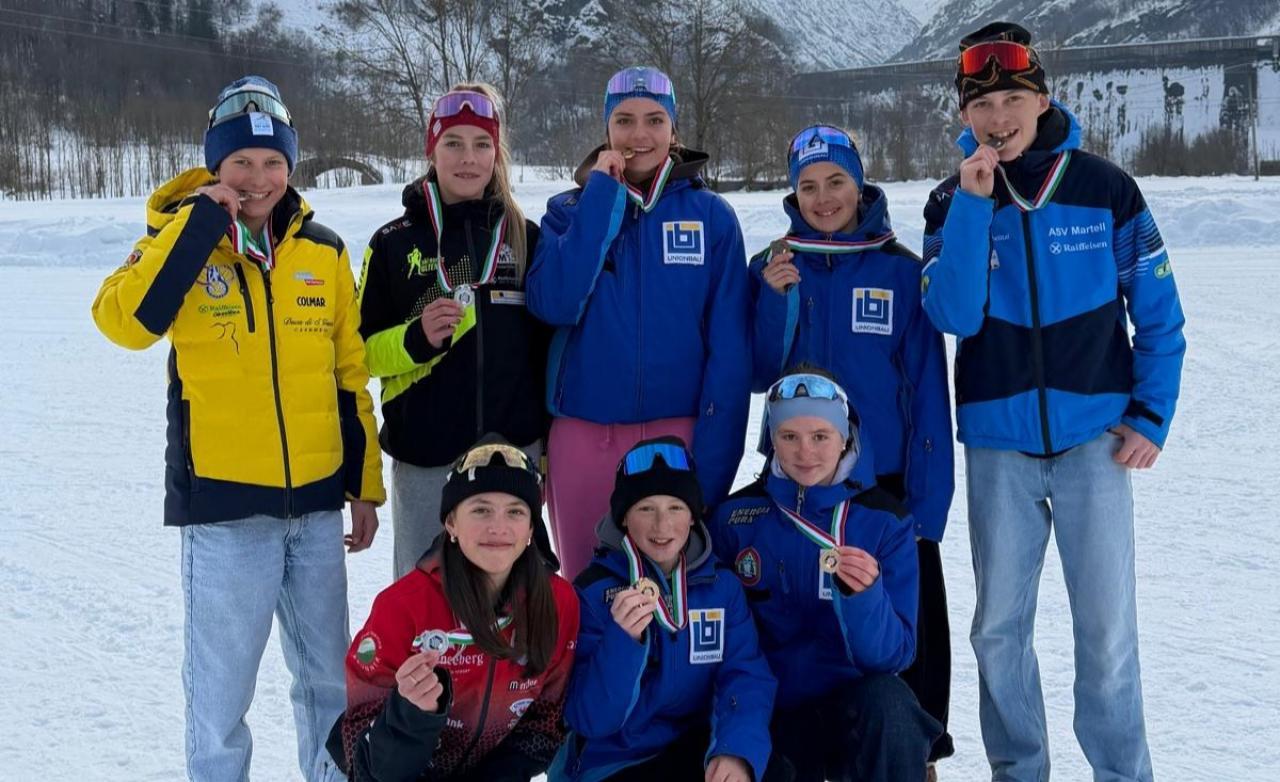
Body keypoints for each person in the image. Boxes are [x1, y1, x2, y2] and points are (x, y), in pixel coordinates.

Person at [90, 75, 385, 781]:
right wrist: (193, 229)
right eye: (242, 165)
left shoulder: (323, 250)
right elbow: (124, 324)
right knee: (222, 696)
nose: (258, 179)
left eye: (273, 163)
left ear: (291, 166)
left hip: (314, 510)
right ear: (216, 166)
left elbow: (349, 377)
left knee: (329, 685)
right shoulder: (178, 245)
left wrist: (363, 487)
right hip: (225, 515)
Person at [920, 22, 1187, 781]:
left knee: (1106, 634)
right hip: (1000, 446)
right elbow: (954, 316)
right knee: (998, 630)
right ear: (964, 116)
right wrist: (973, 208)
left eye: (1012, 97)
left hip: (1094, 444)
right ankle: (1019, 771)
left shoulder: (1106, 188)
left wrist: (1149, 415)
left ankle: (1122, 774)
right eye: (983, 104)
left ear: (1041, 98)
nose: (998, 118)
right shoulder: (948, 203)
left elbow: (1160, 315)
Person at [750, 123, 956, 772]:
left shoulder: (899, 269)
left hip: (882, 486)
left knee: (905, 625)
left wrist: (929, 506)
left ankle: (912, 750)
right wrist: (774, 302)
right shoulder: (772, 265)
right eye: (807, 186)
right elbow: (756, 373)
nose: (823, 197)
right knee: (797, 614)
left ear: (859, 182)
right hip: (799, 478)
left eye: (836, 181)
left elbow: (926, 390)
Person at [526, 65, 751, 579]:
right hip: (584, 437)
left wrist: (713, 466)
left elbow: (730, 353)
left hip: (678, 439)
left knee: (678, 593)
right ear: (606, 130)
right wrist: (602, 202)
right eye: (624, 120)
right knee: (589, 591)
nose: (638, 135)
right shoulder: (567, 212)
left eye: (654, 120)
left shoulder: (712, 217)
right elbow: (555, 303)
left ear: (674, 131)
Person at [357, 83, 550, 578]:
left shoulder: (525, 238)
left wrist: (546, 443)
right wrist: (415, 339)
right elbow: (359, 355)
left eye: (482, 144)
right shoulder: (392, 244)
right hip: (427, 458)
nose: (469, 159)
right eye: (454, 144)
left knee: (514, 602)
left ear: (497, 152)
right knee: (423, 603)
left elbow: (547, 348)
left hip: (513, 454)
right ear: (431, 149)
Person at [709, 369, 940, 782]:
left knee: (894, 706)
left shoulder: (887, 522)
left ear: (846, 435)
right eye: (789, 436)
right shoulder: (735, 520)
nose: (805, 452)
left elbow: (895, 656)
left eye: (820, 436)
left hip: (851, 704)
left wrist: (864, 599)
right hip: (768, 705)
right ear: (770, 439)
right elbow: (724, 651)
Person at [328, 437, 579, 781]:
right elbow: (363, 756)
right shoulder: (403, 606)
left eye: (515, 512)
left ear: (532, 529)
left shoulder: (557, 603)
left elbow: (547, 722)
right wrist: (411, 716)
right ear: (451, 524)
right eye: (480, 509)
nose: (498, 527)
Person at [550, 437, 776, 782]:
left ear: (694, 516)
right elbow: (590, 719)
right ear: (624, 517)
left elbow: (745, 675)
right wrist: (622, 641)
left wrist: (736, 750)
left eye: (675, 508)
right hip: (616, 760)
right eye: (646, 509)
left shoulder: (722, 586)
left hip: (693, 749)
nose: (662, 525)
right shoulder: (593, 593)